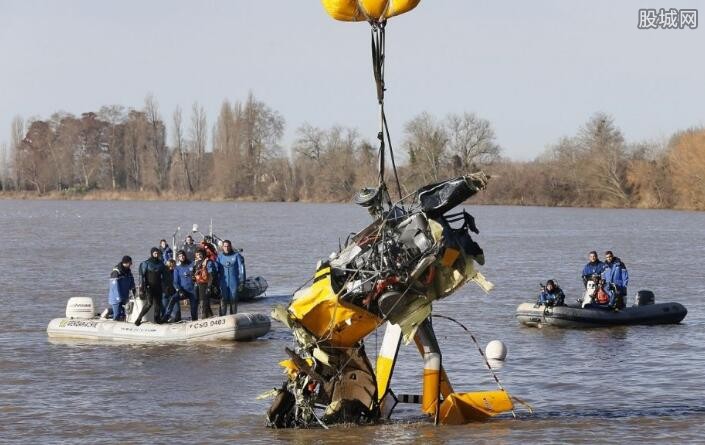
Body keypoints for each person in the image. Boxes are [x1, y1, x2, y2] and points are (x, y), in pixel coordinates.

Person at [135, 247, 166, 326]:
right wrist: (142, 288)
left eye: (158, 253)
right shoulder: (146, 263)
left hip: (158, 287)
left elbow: (165, 276)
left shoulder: (161, 264)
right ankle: (139, 318)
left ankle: (157, 319)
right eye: (155, 253)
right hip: (149, 287)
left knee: (158, 304)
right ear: (152, 253)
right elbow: (141, 277)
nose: (156, 255)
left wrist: (166, 286)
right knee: (149, 304)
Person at [165, 250, 198, 321]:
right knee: (173, 299)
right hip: (183, 291)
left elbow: (198, 274)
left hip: (192, 291)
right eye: (180, 256)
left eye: (183, 255)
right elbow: (175, 282)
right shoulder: (177, 268)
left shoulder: (192, 264)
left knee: (193, 309)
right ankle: (166, 317)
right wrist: (179, 290)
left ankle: (195, 321)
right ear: (178, 258)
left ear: (185, 256)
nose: (182, 257)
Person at [217, 239, 245, 316]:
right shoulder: (219, 257)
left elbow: (242, 270)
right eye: (225, 246)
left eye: (228, 246)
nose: (226, 248)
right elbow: (216, 271)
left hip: (234, 282)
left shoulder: (237, 256)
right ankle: (222, 317)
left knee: (233, 299)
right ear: (222, 247)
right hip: (223, 282)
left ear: (230, 246)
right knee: (223, 300)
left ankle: (233, 316)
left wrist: (242, 282)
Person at [107, 256, 136, 321]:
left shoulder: (128, 272)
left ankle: (123, 324)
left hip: (124, 297)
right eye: (130, 263)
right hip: (116, 298)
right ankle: (114, 325)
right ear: (126, 263)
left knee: (124, 314)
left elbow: (132, 282)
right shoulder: (116, 272)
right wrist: (118, 298)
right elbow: (114, 287)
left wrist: (134, 291)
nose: (131, 264)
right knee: (117, 314)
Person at [193, 248, 217, 319]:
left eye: (200, 254)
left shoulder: (208, 262)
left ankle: (203, 317)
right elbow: (194, 274)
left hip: (205, 284)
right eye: (197, 255)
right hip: (198, 284)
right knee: (203, 302)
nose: (199, 256)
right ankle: (210, 316)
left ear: (203, 254)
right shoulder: (196, 262)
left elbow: (211, 275)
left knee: (203, 302)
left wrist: (209, 286)